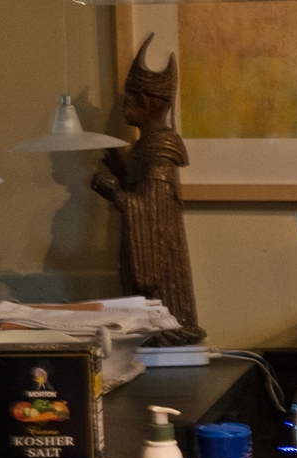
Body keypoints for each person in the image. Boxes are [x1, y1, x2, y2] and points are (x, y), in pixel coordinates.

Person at [93, 34, 207, 347]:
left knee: (163, 323)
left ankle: (167, 329)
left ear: (145, 102)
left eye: (127, 102)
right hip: (155, 255)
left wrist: (115, 194)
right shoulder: (147, 146)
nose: (123, 109)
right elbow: (147, 196)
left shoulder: (160, 147)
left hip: (163, 270)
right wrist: (123, 173)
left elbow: (153, 212)